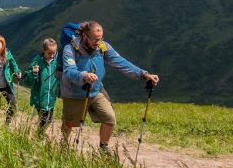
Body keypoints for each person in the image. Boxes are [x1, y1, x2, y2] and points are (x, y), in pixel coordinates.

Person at [61, 20, 159, 154]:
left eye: (100, 39)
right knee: (70, 123)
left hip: (96, 90)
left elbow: (121, 63)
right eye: (95, 39)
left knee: (109, 119)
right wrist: (84, 75)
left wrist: (144, 74)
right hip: (74, 93)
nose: (98, 42)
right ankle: (64, 145)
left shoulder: (102, 47)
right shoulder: (70, 49)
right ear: (85, 36)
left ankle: (103, 148)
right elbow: (69, 71)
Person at [23, 38, 59, 134]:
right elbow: (27, 80)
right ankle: (40, 137)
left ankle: (39, 135)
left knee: (49, 119)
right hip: (39, 96)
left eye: (54, 53)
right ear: (44, 51)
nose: (52, 56)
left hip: (51, 96)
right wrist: (33, 73)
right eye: (49, 53)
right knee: (43, 119)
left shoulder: (58, 61)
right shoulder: (36, 61)